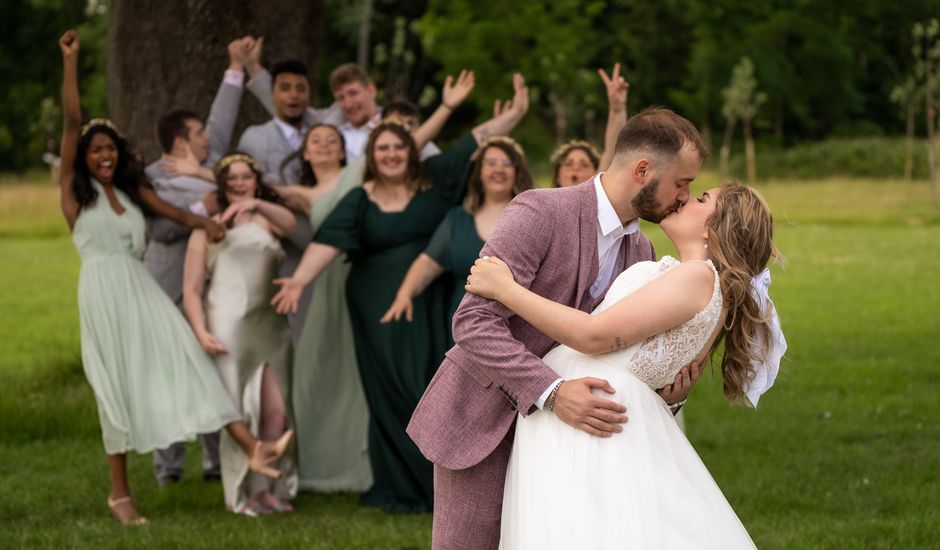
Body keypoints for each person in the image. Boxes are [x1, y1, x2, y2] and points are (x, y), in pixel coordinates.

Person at [407, 107, 710, 548]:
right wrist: (551, 391)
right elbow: (472, 322)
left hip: (564, 448)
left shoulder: (642, 251)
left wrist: (671, 398)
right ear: (643, 170)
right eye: (681, 182)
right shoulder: (541, 210)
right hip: (484, 418)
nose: (685, 196)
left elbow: (624, 356)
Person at [465, 182, 784, 548]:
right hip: (592, 414)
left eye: (701, 199)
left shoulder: (697, 277)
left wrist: (506, 289)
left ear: (714, 227)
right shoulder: (705, 284)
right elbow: (661, 373)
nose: (683, 198)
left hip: (588, 422)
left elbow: (594, 336)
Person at [56, 30, 291, 525]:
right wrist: (71, 63)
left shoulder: (131, 192)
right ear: (82, 154)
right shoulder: (75, 195)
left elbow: (175, 213)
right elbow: (73, 119)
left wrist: (206, 222)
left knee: (193, 361)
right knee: (113, 388)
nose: (104, 156)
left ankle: (254, 450)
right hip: (102, 294)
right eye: (95, 149)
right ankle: (120, 493)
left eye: (110, 149)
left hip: (142, 290)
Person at [270, 73, 531, 513]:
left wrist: (516, 112)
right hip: (376, 305)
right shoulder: (359, 198)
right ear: (372, 156)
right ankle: (409, 485)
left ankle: (448, 479)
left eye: (398, 147)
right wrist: (299, 280)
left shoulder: (436, 180)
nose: (391, 154)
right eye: (383, 148)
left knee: (434, 384)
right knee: (396, 388)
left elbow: (478, 140)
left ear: (410, 151)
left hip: (432, 299)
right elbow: (328, 241)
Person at [144, 37, 248, 488]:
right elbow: (162, 230)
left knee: (212, 369)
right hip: (166, 291)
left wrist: (235, 70)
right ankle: (167, 465)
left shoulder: (204, 166)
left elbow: (220, 123)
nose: (211, 137)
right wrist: (205, 207)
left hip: (214, 292)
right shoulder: (153, 178)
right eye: (201, 134)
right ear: (182, 141)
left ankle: (213, 459)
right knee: (166, 374)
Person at [182, 153, 298, 516]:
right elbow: (190, 288)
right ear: (221, 183)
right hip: (227, 322)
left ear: (255, 179)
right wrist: (200, 330)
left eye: (245, 176)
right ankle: (242, 493)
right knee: (240, 407)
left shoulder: (267, 219)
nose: (237, 182)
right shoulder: (208, 226)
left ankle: (270, 489)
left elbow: (292, 224)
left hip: (269, 323)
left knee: (277, 409)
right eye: (230, 177)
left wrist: (256, 203)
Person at [276, 122, 374, 492]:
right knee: (312, 368)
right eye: (315, 141)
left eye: (331, 140)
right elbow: (246, 183)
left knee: (355, 371)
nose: (323, 145)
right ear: (305, 152)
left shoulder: (359, 173)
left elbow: (409, 142)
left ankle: (360, 463)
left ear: (342, 149)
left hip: (355, 276)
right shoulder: (303, 194)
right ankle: (317, 466)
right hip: (321, 284)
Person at [380, 136, 533, 346]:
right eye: (491, 163)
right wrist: (404, 294)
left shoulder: (531, 218)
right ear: (478, 172)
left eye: (507, 163)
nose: (499, 169)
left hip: (519, 324)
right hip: (464, 326)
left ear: (517, 172)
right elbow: (428, 263)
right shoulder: (458, 219)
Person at [238, 54, 343, 342]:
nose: (294, 96)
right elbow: (252, 183)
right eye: (285, 88)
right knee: (297, 330)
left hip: (334, 241)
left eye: (301, 88)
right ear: (271, 95)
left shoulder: (323, 131)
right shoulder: (254, 137)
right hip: (285, 246)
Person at [552, 63, 629, 187]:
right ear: (557, 177)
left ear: (597, 174)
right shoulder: (542, 204)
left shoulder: (597, 202)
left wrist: (617, 109)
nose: (575, 169)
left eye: (584, 165)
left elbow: (611, 151)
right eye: (568, 164)